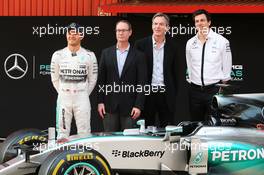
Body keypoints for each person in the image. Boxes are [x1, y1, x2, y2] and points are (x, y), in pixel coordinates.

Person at [51, 23, 98, 142]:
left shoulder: (89, 55)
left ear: (81, 36)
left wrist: (82, 93)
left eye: (75, 33)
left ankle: (83, 157)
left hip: (82, 97)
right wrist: (64, 91)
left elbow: (93, 79)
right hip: (63, 97)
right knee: (62, 133)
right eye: (69, 33)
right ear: (66, 35)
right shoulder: (58, 55)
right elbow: (55, 79)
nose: (72, 35)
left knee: (84, 132)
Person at [97, 20, 147, 132]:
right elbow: (101, 80)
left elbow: (142, 82)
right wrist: (100, 102)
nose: (121, 33)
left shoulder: (139, 55)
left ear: (130, 32)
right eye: (118, 30)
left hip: (130, 108)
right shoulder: (106, 53)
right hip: (109, 106)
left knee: (129, 142)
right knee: (109, 140)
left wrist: (138, 105)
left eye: (124, 30)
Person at [186, 9, 232, 122]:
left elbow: (227, 68)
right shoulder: (190, 43)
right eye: (197, 21)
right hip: (195, 90)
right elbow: (189, 64)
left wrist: (221, 87)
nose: (199, 23)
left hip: (214, 90)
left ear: (209, 22)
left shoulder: (222, 41)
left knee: (216, 125)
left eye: (202, 20)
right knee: (195, 125)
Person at [134, 13, 179, 127]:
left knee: (168, 129)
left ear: (167, 27)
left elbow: (176, 73)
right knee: (146, 129)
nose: (157, 26)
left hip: (166, 95)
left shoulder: (173, 46)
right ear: (152, 26)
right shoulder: (140, 45)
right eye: (155, 24)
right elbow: (136, 72)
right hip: (147, 94)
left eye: (161, 24)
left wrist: (173, 95)